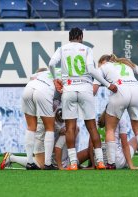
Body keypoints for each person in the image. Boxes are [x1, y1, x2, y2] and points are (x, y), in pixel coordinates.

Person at [49, 27, 117, 170]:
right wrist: (108, 84)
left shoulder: (62, 49)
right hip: (85, 88)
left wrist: (56, 79)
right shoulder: (86, 49)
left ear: (69, 37)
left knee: (70, 127)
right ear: (81, 36)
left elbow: (51, 64)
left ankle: (73, 163)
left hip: (69, 89)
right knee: (91, 126)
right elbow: (91, 70)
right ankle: (100, 162)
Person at [93, 54, 138, 169]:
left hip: (119, 90)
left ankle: (111, 164)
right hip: (136, 90)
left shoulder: (103, 68)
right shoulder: (127, 63)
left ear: (103, 62)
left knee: (110, 129)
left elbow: (94, 90)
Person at [21, 68, 58, 170]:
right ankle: (48, 163)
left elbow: (32, 78)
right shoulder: (63, 72)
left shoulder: (41, 73)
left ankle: (29, 162)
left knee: (31, 126)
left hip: (28, 88)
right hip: (44, 90)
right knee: (49, 128)